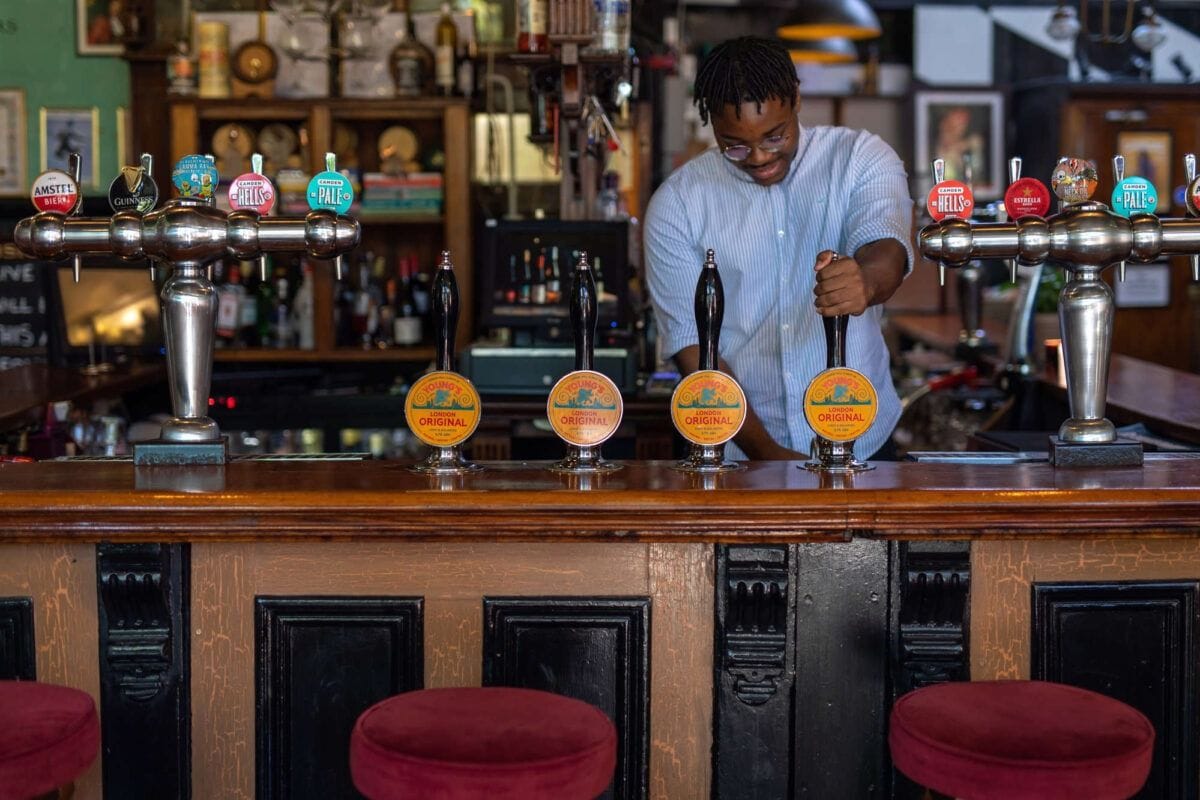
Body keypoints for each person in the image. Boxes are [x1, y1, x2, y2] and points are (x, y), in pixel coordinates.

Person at [644, 36, 913, 461]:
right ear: (710, 123)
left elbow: (887, 247)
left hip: (865, 446)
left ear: (796, 100)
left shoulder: (860, 157)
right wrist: (767, 457)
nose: (757, 157)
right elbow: (694, 347)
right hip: (740, 456)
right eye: (734, 144)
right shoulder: (678, 203)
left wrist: (865, 280)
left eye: (774, 136)